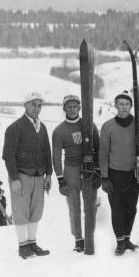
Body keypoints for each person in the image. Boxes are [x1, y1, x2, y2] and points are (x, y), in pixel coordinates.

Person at [2, 92, 52, 259]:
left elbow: (47, 152)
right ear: (25, 105)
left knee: (36, 210)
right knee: (21, 210)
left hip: (39, 175)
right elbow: (8, 155)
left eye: (39, 105)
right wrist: (14, 179)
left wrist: (49, 174)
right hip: (21, 175)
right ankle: (23, 246)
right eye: (33, 104)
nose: (36, 108)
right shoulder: (15, 128)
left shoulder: (42, 127)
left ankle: (32, 243)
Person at [99, 90, 139, 256]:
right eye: (121, 104)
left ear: (131, 106)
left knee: (131, 208)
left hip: (135, 173)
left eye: (127, 104)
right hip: (115, 174)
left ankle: (127, 238)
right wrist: (105, 177)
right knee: (117, 208)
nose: (124, 107)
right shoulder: (108, 126)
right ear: (116, 105)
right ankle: (120, 241)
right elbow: (103, 153)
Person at [52, 94, 101, 255]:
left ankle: (89, 236)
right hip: (70, 169)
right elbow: (56, 157)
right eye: (69, 106)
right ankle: (78, 239)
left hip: (88, 168)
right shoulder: (59, 130)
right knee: (74, 206)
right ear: (64, 109)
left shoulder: (88, 125)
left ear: (80, 108)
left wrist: (98, 171)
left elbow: (98, 149)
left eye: (75, 106)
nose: (72, 109)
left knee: (90, 205)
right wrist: (61, 180)